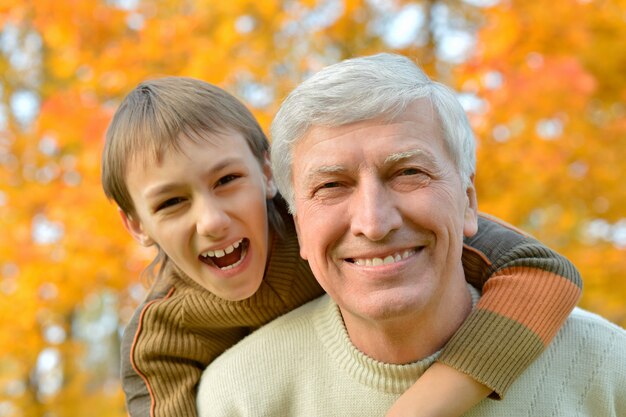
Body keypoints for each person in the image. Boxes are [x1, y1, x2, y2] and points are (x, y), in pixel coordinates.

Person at [101, 76, 582, 417]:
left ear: (268, 174)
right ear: (135, 225)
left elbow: (543, 272)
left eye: (227, 180)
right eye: (170, 202)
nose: (211, 221)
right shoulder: (159, 341)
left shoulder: (330, 223)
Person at [196, 53, 626, 416]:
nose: (374, 222)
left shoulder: (609, 367)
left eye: (408, 173)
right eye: (330, 186)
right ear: (298, 224)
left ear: (468, 202)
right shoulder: (238, 397)